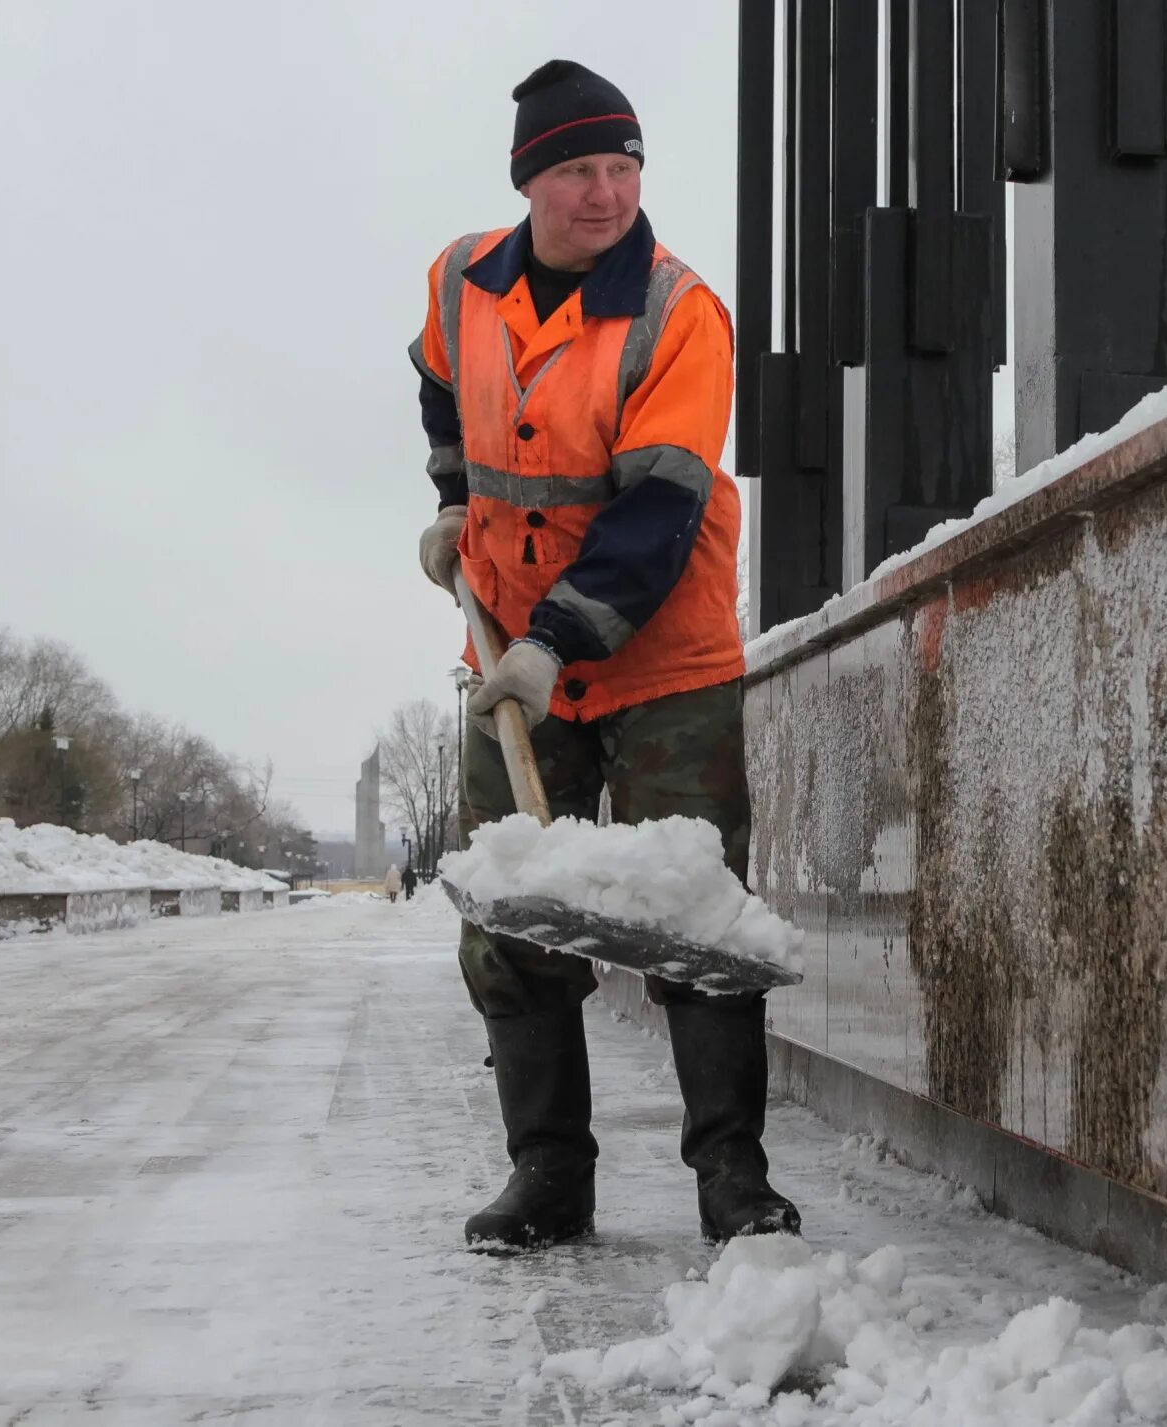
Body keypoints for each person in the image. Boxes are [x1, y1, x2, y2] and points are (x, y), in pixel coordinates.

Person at [410, 59, 799, 1253]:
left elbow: (657, 511)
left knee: (698, 918)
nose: (605, 193)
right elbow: (440, 391)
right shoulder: (460, 279)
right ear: (529, 179)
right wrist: (451, 504)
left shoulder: (678, 313)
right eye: (578, 169)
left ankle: (731, 1177)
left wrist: (554, 644)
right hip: (514, 654)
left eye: (622, 168)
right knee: (513, 920)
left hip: (661, 659)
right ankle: (548, 1175)